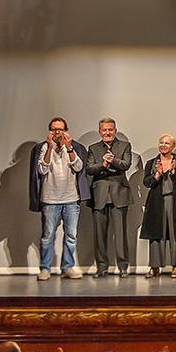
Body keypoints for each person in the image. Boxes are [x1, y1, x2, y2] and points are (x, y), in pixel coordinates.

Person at [28, 116, 89, 280]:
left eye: (60, 129)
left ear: (66, 131)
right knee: (47, 236)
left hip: (71, 198)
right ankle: (45, 268)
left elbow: (78, 167)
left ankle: (68, 267)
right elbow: (42, 169)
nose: (57, 132)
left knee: (71, 236)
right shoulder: (42, 148)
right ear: (50, 132)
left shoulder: (74, 147)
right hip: (50, 199)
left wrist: (68, 147)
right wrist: (49, 148)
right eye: (54, 129)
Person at [85, 117, 135, 278]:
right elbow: (89, 168)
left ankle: (123, 267)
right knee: (99, 235)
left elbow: (125, 165)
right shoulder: (93, 148)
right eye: (104, 130)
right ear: (100, 132)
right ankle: (101, 267)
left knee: (120, 234)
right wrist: (103, 166)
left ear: (115, 130)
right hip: (99, 194)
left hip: (119, 193)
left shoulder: (125, 145)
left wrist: (112, 160)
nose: (107, 133)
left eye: (110, 130)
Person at [140, 135, 176, 278]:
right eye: (161, 142)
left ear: (172, 146)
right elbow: (146, 182)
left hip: (175, 202)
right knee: (156, 235)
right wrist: (157, 175)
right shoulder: (151, 163)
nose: (163, 145)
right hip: (157, 202)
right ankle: (155, 267)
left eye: (167, 143)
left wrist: (174, 172)